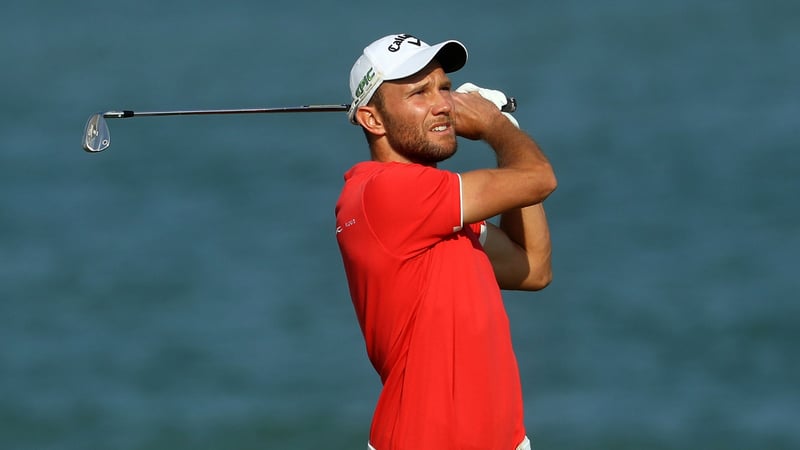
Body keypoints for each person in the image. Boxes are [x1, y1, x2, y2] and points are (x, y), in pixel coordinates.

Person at [335, 33, 557, 450]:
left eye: (445, 88)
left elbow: (533, 268)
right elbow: (540, 177)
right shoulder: (387, 192)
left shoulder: (439, 211)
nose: (443, 105)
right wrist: (494, 126)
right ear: (373, 119)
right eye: (419, 92)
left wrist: (506, 127)